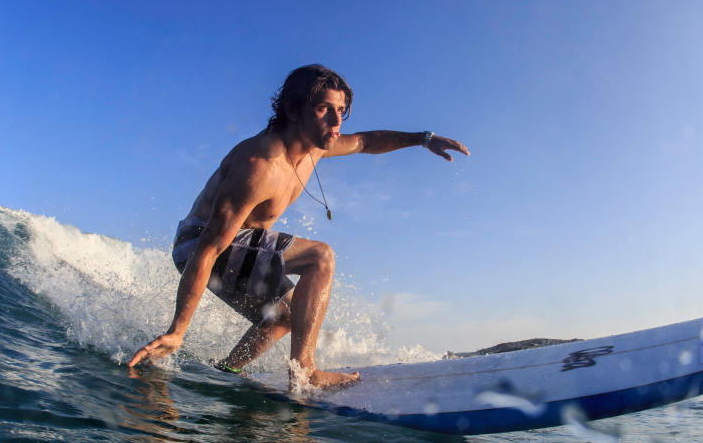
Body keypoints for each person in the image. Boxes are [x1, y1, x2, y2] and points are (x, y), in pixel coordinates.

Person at [127, 64, 469, 390]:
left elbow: (365, 141)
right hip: (198, 243)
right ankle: (305, 371)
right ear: (294, 109)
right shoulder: (259, 165)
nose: (337, 122)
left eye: (342, 110)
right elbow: (209, 248)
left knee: (287, 316)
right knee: (320, 257)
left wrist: (424, 139)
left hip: (228, 246)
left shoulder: (316, 147)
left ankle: (228, 369)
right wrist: (177, 330)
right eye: (324, 109)